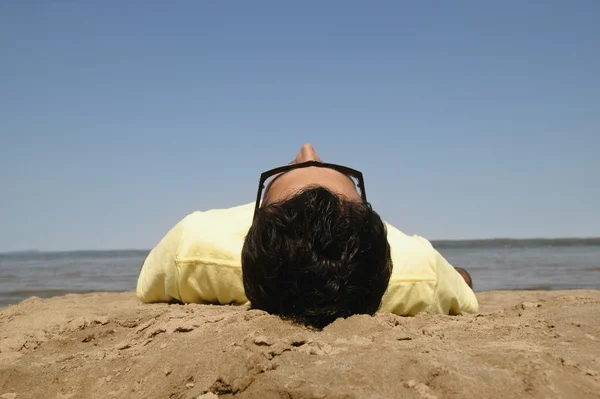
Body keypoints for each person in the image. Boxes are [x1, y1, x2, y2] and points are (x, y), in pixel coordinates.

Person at [137, 144, 478, 328]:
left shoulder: (192, 246)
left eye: (291, 171)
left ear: (251, 219)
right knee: (459, 276)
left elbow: (146, 286)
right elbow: (462, 295)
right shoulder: (420, 270)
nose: (306, 149)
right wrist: (459, 280)